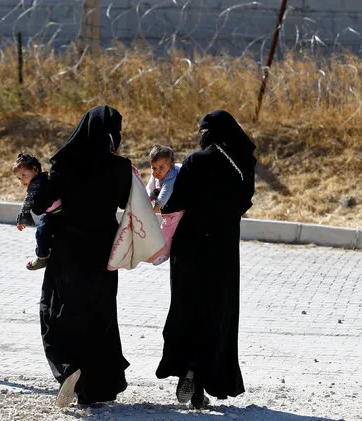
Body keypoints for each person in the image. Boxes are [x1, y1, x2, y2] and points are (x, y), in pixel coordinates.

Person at [155, 110, 256, 409]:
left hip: (189, 250)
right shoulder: (243, 165)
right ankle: (201, 380)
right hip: (223, 252)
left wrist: (159, 204)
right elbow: (243, 203)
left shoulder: (196, 161)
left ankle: (187, 370)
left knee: (187, 308)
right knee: (216, 313)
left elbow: (177, 201)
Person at [40, 105, 132, 408]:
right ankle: (96, 389)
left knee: (59, 311)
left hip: (67, 249)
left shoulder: (64, 164)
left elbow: (44, 204)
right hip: (103, 249)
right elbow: (125, 202)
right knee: (100, 316)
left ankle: (68, 367)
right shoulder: (119, 167)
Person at [13, 153, 61, 270]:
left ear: (34, 169)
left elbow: (27, 201)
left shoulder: (35, 184)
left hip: (56, 214)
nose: (22, 179)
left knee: (41, 233)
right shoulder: (44, 177)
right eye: (19, 177)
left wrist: (22, 218)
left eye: (24, 175)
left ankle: (41, 258)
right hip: (55, 213)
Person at [145, 145, 181, 213]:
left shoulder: (172, 172)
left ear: (171, 165)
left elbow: (167, 189)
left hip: (179, 199)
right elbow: (150, 187)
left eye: (161, 167)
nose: (157, 171)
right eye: (154, 168)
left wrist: (158, 205)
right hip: (165, 197)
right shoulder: (157, 173)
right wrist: (146, 199)